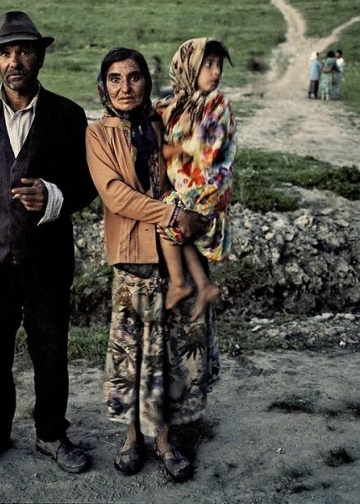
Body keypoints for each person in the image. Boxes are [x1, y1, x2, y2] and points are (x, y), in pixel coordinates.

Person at [0, 11, 97, 474]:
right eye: (6, 52)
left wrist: (52, 195)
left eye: (25, 50)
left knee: (51, 348)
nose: (16, 61)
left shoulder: (67, 115)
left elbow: (87, 182)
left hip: (46, 258)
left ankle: (51, 433)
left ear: (40, 56)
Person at [86, 47, 220, 483]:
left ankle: (164, 440)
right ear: (103, 85)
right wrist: (171, 215)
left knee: (165, 352)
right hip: (131, 257)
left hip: (169, 253)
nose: (125, 88)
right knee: (131, 352)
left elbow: (184, 172)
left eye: (134, 77)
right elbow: (114, 194)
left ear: (147, 81)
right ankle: (131, 436)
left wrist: (196, 207)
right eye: (114, 79)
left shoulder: (158, 125)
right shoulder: (97, 135)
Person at [157, 38, 237, 323]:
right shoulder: (187, 101)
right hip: (193, 185)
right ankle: (203, 285)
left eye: (218, 66)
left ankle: (179, 283)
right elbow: (171, 116)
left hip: (207, 185)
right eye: (208, 64)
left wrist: (176, 148)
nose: (215, 72)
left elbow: (209, 142)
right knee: (180, 229)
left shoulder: (218, 103)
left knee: (167, 215)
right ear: (189, 67)